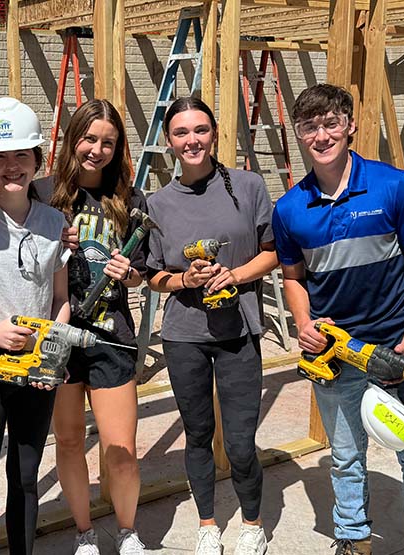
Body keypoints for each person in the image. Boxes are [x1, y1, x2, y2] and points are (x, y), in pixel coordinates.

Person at [271, 84, 404, 555]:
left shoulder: (394, 187)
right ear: (299, 135)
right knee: (347, 457)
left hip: (399, 349)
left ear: (350, 125)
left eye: (331, 123)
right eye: (309, 126)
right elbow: (293, 277)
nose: (321, 135)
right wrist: (304, 324)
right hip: (336, 356)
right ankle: (353, 539)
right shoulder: (290, 208)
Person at [145, 96, 278, 555]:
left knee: (241, 441)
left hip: (238, 332)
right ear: (169, 142)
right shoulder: (158, 203)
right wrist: (184, 278)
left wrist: (234, 275)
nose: (192, 140)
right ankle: (207, 524)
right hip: (185, 337)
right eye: (181, 133)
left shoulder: (248, 186)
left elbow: (273, 250)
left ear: (214, 133)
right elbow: (151, 273)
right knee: (198, 433)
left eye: (200, 130)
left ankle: (252, 523)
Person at [33, 99, 148, 555]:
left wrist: (130, 273)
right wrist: (49, 242)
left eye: (108, 142)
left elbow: (143, 272)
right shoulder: (42, 195)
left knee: (121, 450)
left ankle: (126, 531)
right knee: (68, 440)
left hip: (112, 337)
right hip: (59, 337)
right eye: (89, 138)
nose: (97, 150)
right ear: (72, 139)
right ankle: (83, 532)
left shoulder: (130, 200)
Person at [0, 97, 71, 555]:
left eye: (22, 155)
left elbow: (61, 300)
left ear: (37, 160)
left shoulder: (53, 222)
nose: (12, 167)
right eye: (0, 157)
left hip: (38, 362)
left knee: (25, 479)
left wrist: (52, 349)